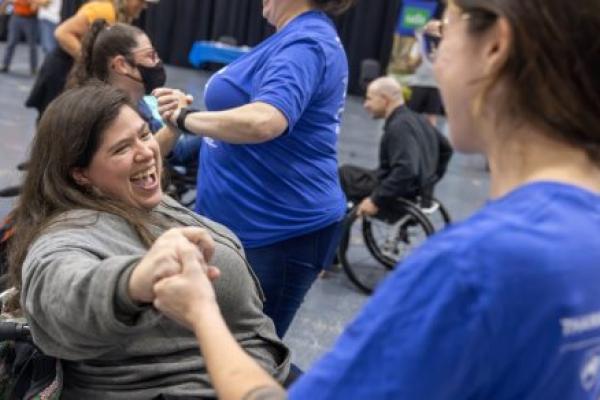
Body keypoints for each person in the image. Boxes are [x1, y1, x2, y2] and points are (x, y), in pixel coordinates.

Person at [151, 0, 600, 398]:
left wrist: (202, 313)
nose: (436, 62)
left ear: (494, 48)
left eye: (438, 38)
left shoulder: (469, 269)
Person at [8, 84, 290, 399]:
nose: (146, 151)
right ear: (80, 174)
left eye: (144, 135)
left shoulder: (137, 199)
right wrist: (135, 281)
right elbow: (61, 292)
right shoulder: (67, 233)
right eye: (120, 148)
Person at [154, 0, 356, 338]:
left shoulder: (306, 43)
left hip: (278, 232)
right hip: (248, 225)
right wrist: (183, 136)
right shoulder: (291, 36)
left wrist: (186, 119)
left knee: (249, 354)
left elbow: (265, 121)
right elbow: (240, 125)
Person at [67, 19, 200, 162]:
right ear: (121, 65)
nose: (157, 62)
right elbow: (137, 161)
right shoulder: (105, 113)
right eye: (150, 56)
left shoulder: (138, 100)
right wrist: (175, 125)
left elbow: (176, 152)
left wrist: (212, 123)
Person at [339, 76, 453, 217]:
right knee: (349, 172)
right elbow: (447, 148)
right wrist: (430, 181)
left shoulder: (398, 127)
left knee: (343, 175)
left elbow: (406, 170)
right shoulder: (417, 119)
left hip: (398, 190)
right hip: (416, 189)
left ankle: (339, 231)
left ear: (384, 100)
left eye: (369, 99)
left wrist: (375, 200)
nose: (365, 105)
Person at [25, 0, 152, 119]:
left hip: (73, 71)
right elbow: (62, 33)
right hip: (61, 70)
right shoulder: (103, 10)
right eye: (141, 1)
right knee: (52, 125)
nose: (144, 6)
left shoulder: (120, 16)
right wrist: (91, 61)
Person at [0, 0, 38, 75]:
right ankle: (5, 64)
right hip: (16, 16)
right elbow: (7, 1)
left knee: (32, 45)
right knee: (11, 42)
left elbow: (35, 6)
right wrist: (2, 10)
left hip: (30, 18)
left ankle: (34, 68)